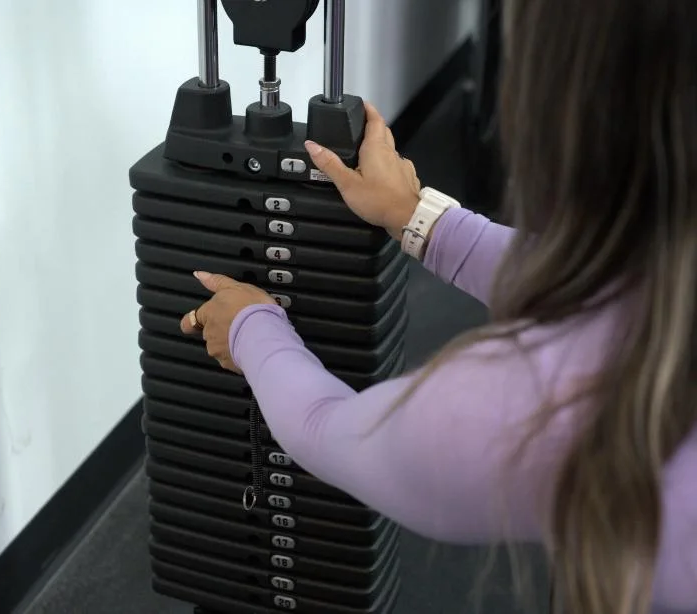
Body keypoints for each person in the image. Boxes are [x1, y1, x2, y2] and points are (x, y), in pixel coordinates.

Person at [179, 1, 697, 613]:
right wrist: (417, 215)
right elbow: (603, 290)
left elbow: (327, 429)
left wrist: (249, 329)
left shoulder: (542, 406)